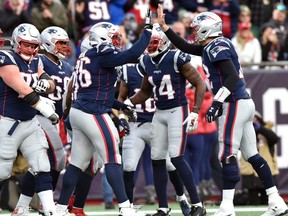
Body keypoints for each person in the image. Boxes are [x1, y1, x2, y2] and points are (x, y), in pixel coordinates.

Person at [157, 5, 288, 216]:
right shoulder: (213, 45)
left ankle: (227, 207)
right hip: (242, 102)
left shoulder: (217, 45)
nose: (194, 31)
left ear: (208, 28)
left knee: (226, 154)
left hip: (234, 102)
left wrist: (217, 102)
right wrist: (165, 28)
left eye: (197, 27)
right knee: (252, 154)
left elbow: (232, 76)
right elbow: (186, 47)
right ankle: (276, 200)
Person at [55, 13, 153, 215]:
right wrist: (148, 31)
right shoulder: (101, 52)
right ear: (101, 39)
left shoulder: (85, 55)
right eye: (113, 38)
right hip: (93, 113)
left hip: (80, 111)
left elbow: (97, 91)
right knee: (113, 157)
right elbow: (131, 55)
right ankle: (126, 207)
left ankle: (61, 208)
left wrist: (121, 105)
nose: (117, 42)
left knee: (77, 163)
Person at [123, 23, 206, 216]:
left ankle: (197, 204)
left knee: (176, 158)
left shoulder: (176, 57)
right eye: (149, 43)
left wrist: (195, 111)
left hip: (178, 109)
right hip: (159, 112)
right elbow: (145, 92)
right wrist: (127, 102)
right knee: (157, 160)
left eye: (154, 42)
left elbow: (200, 84)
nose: (150, 46)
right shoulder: (145, 62)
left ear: (165, 42)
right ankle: (163, 208)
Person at [11, 26, 73, 215]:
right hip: (40, 115)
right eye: (60, 43)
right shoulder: (39, 61)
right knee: (58, 160)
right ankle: (46, 205)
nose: (64, 47)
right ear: (47, 43)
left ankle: (23, 206)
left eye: (65, 43)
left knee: (43, 163)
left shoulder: (68, 66)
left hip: (58, 117)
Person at [0, 23, 60, 216]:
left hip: (29, 122)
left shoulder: (36, 61)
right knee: (2, 171)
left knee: (42, 165)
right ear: (17, 42)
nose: (31, 49)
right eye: (26, 45)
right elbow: (24, 91)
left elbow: (51, 83)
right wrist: (45, 107)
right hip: (7, 122)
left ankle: (50, 209)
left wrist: (45, 84)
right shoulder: (6, 58)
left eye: (34, 45)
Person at [118, 62, 191, 215]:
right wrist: (121, 117)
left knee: (171, 164)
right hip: (135, 125)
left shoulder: (164, 69)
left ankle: (181, 197)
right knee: (128, 165)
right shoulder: (128, 71)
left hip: (157, 124)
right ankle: (128, 206)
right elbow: (121, 99)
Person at [240, 111, 280, 205]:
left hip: (267, 170)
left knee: (268, 201)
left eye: (255, 119)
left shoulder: (266, 132)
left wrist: (260, 128)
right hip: (249, 172)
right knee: (253, 201)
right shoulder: (242, 132)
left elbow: (274, 139)